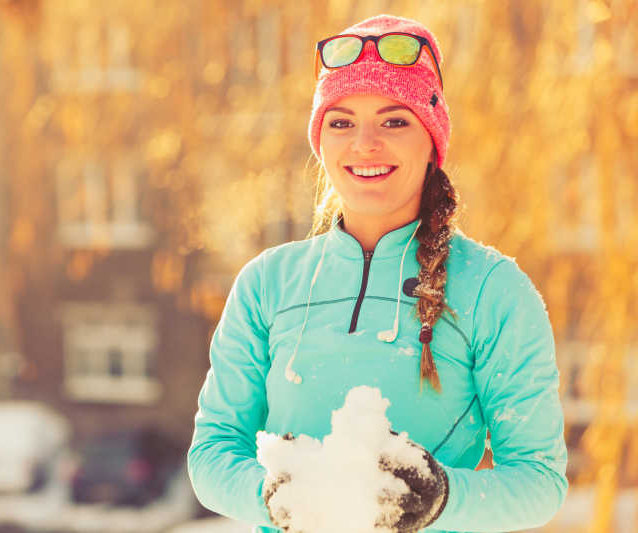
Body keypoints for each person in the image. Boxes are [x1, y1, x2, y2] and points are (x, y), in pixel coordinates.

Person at [187, 13, 567, 533]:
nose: (364, 143)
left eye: (394, 121)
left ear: (432, 141)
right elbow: (211, 453)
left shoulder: (492, 288)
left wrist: (443, 498)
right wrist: (270, 495)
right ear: (321, 143)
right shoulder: (267, 284)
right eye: (341, 122)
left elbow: (539, 480)